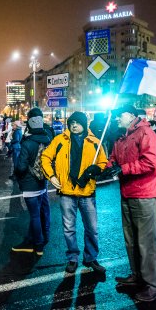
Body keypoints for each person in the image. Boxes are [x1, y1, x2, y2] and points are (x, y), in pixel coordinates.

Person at [103, 104, 156, 302]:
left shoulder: (145, 133)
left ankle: (154, 285)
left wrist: (123, 169)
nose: (116, 119)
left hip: (144, 194)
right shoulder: (122, 136)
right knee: (131, 240)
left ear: (130, 115)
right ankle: (138, 275)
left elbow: (149, 162)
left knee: (146, 243)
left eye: (119, 115)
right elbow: (113, 159)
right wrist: (105, 168)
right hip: (127, 192)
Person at [41, 111, 108, 275]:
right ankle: (72, 258)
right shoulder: (60, 140)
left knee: (92, 228)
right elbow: (45, 157)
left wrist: (97, 168)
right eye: (71, 123)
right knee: (69, 228)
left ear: (84, 124)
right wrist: (51, 176)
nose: (74, 125)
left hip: (87, 192)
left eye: (77, 123)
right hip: (67, 192)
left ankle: (90, 257)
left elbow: (103, 162)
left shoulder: (94, 142)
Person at [11, 112, 51, 255]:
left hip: (29, 184)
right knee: (38, 213)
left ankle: (38, 245)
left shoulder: (28, 143)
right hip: (42, 182)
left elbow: (21, 167)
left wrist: (17, 173)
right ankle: (36, 241)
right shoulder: (47, 140)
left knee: (34, 215)